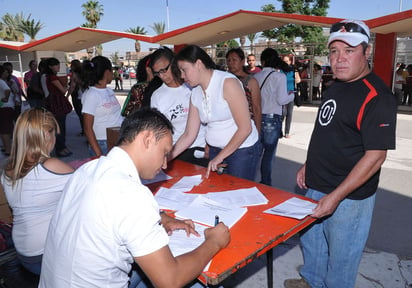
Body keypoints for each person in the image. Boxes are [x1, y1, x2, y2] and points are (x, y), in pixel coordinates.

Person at [39, 107, 230, 288]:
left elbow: (106, 210)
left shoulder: (87, 170)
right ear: (147, 139)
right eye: (164, 152)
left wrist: (162, 218)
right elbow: (170, 281)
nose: (165, 164)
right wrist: (214, 242)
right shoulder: (132, 195)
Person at [284, 20, 397, 288]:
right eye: (334, 51)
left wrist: (334, 198)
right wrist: (307, 165)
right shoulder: (334, 86)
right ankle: (311, 281)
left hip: (348, 199)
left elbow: (376, 157)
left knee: (341, 262)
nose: (339, 59)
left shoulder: (378, 97)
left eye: (349, 51)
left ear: (366, 52)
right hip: (315, 185)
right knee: (312, 244)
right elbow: (327, 132)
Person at [1, 108, 74, 275]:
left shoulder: (8, 168)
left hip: (24, 250)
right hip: (44, 255)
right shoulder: (51, 166)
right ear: (47, 135)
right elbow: (90, 188)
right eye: (54, 133)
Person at [171, 45, 260, 180]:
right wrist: (168, 156)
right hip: (216, 150)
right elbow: (189, 134)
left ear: (199, 64)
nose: (182, 76)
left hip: (242, 150)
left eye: (184, 70)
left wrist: (220, 157)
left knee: (237, 194)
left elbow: (245, 128)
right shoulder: (195, 92)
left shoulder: (227, 83)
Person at [150, 47, 208, 167]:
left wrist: (210, 143)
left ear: (174, 62)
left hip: (201, 147)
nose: (162, 76)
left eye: (164, 70)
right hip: (176, 150)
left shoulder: (193, 85)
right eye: (157, 73)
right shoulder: (157, 96)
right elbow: (159, 130)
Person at [254, 48, 293, 186]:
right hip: (272, 119)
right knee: (269, 155)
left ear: (262, 61)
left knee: (255, 154)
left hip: (257, 119)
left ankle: (249, 180)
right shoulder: (279, 76)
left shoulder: (256, 77)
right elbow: (282, 100)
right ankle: (266, 183)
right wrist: (292, 95)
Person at [81, 55, 124, 157]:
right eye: (112, 71)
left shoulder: (108, 90)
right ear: (107, 72)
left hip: (116, 138)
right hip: (103, 143)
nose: (113, 74)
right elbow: (87, 128)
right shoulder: (92, 94)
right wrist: (98, 153)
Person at [226, 48, 262, 133]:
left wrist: (258, 130)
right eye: (228, 60)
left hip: (247, 126)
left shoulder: (251, 81)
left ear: (242, 61)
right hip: (228, 127)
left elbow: (256, 108)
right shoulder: (225, 79)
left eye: (234, 60)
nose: (231, 63)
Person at [44, 57, 72, 158]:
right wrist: (68, 86)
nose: (58, 67)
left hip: (54, 102)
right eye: (56, 65)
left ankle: (61, 147)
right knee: (60, 126)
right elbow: (63, 90)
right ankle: (60, 149)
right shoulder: (53, 78)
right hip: (57, 102)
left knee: (58, 126)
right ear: (51, 66)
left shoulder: (48, 76)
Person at [281, 55, 301, 139]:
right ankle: (279, 130)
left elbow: (298, 81)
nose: (285, 63)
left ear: (290, 62)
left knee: (289, 113)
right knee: (283, 113)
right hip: (282, 94)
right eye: (284, 61)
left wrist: (296, 73)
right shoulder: (280, 71)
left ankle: (287, 132)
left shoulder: (293, 71)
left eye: (287, 61)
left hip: (291, 94)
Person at [0, 65, 15, 156]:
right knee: (5, 129)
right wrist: (6, 98)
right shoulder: (1, 81)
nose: (7, 73)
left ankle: (7, 148)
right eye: (5, 72)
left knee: (3, 129)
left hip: (3, 107)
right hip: (6, 107)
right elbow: (7, 90)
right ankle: (8, 149)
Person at [67, 59, 84, 135]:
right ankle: (86, 131)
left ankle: (84, 131)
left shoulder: (74, 74)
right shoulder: (84, 73)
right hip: (85, 95)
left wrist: (67, 96)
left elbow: (72, 86)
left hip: (77, 95)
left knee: (80, 114)